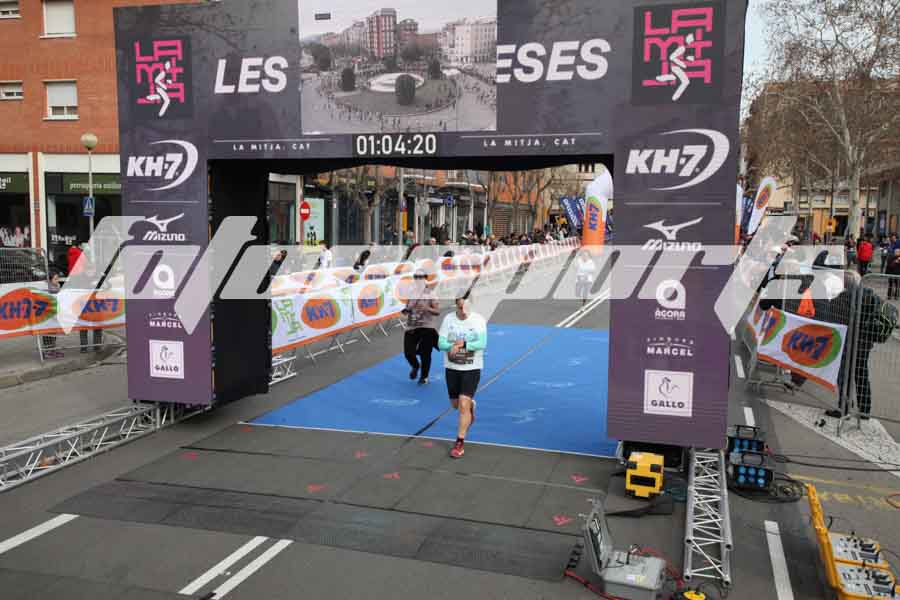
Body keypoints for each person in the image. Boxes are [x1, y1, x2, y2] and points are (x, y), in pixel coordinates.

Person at [438, 292, 488, 459]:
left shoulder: (478, 320)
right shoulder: (448, 319)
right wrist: (451, 347)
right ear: (456, 306)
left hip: (472, 367)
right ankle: (470, 407)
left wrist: (463, 344)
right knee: (455, 405)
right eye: (460, 307)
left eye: (466, 307)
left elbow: (482, 343)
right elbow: (440, 343)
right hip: (452, 367)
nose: (463, 311)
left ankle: (459, 442)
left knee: (463, 404)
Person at [402, 270, 441, 385]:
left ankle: (424, 377)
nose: (418, 279)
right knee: (408, 353)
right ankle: (415, 366)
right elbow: (408, 307)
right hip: (411, 327)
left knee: (425, 354)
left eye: (420, 277)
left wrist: (427, 308)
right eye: (416, 277)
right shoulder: (411, 293)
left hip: (426, 328)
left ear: (425, 278)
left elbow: (438, 311)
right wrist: (406, 310)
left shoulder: (431, 293)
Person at [41, 273, 63, 359]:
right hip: (47, 313)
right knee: (47, 332)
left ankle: (53, 349)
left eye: (58, 278)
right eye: (55, 279)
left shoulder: (58, 285)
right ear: (50, 280)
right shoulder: (46, 287)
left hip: (55, 312)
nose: (57, 280)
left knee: (54, 332)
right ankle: (47, 351)